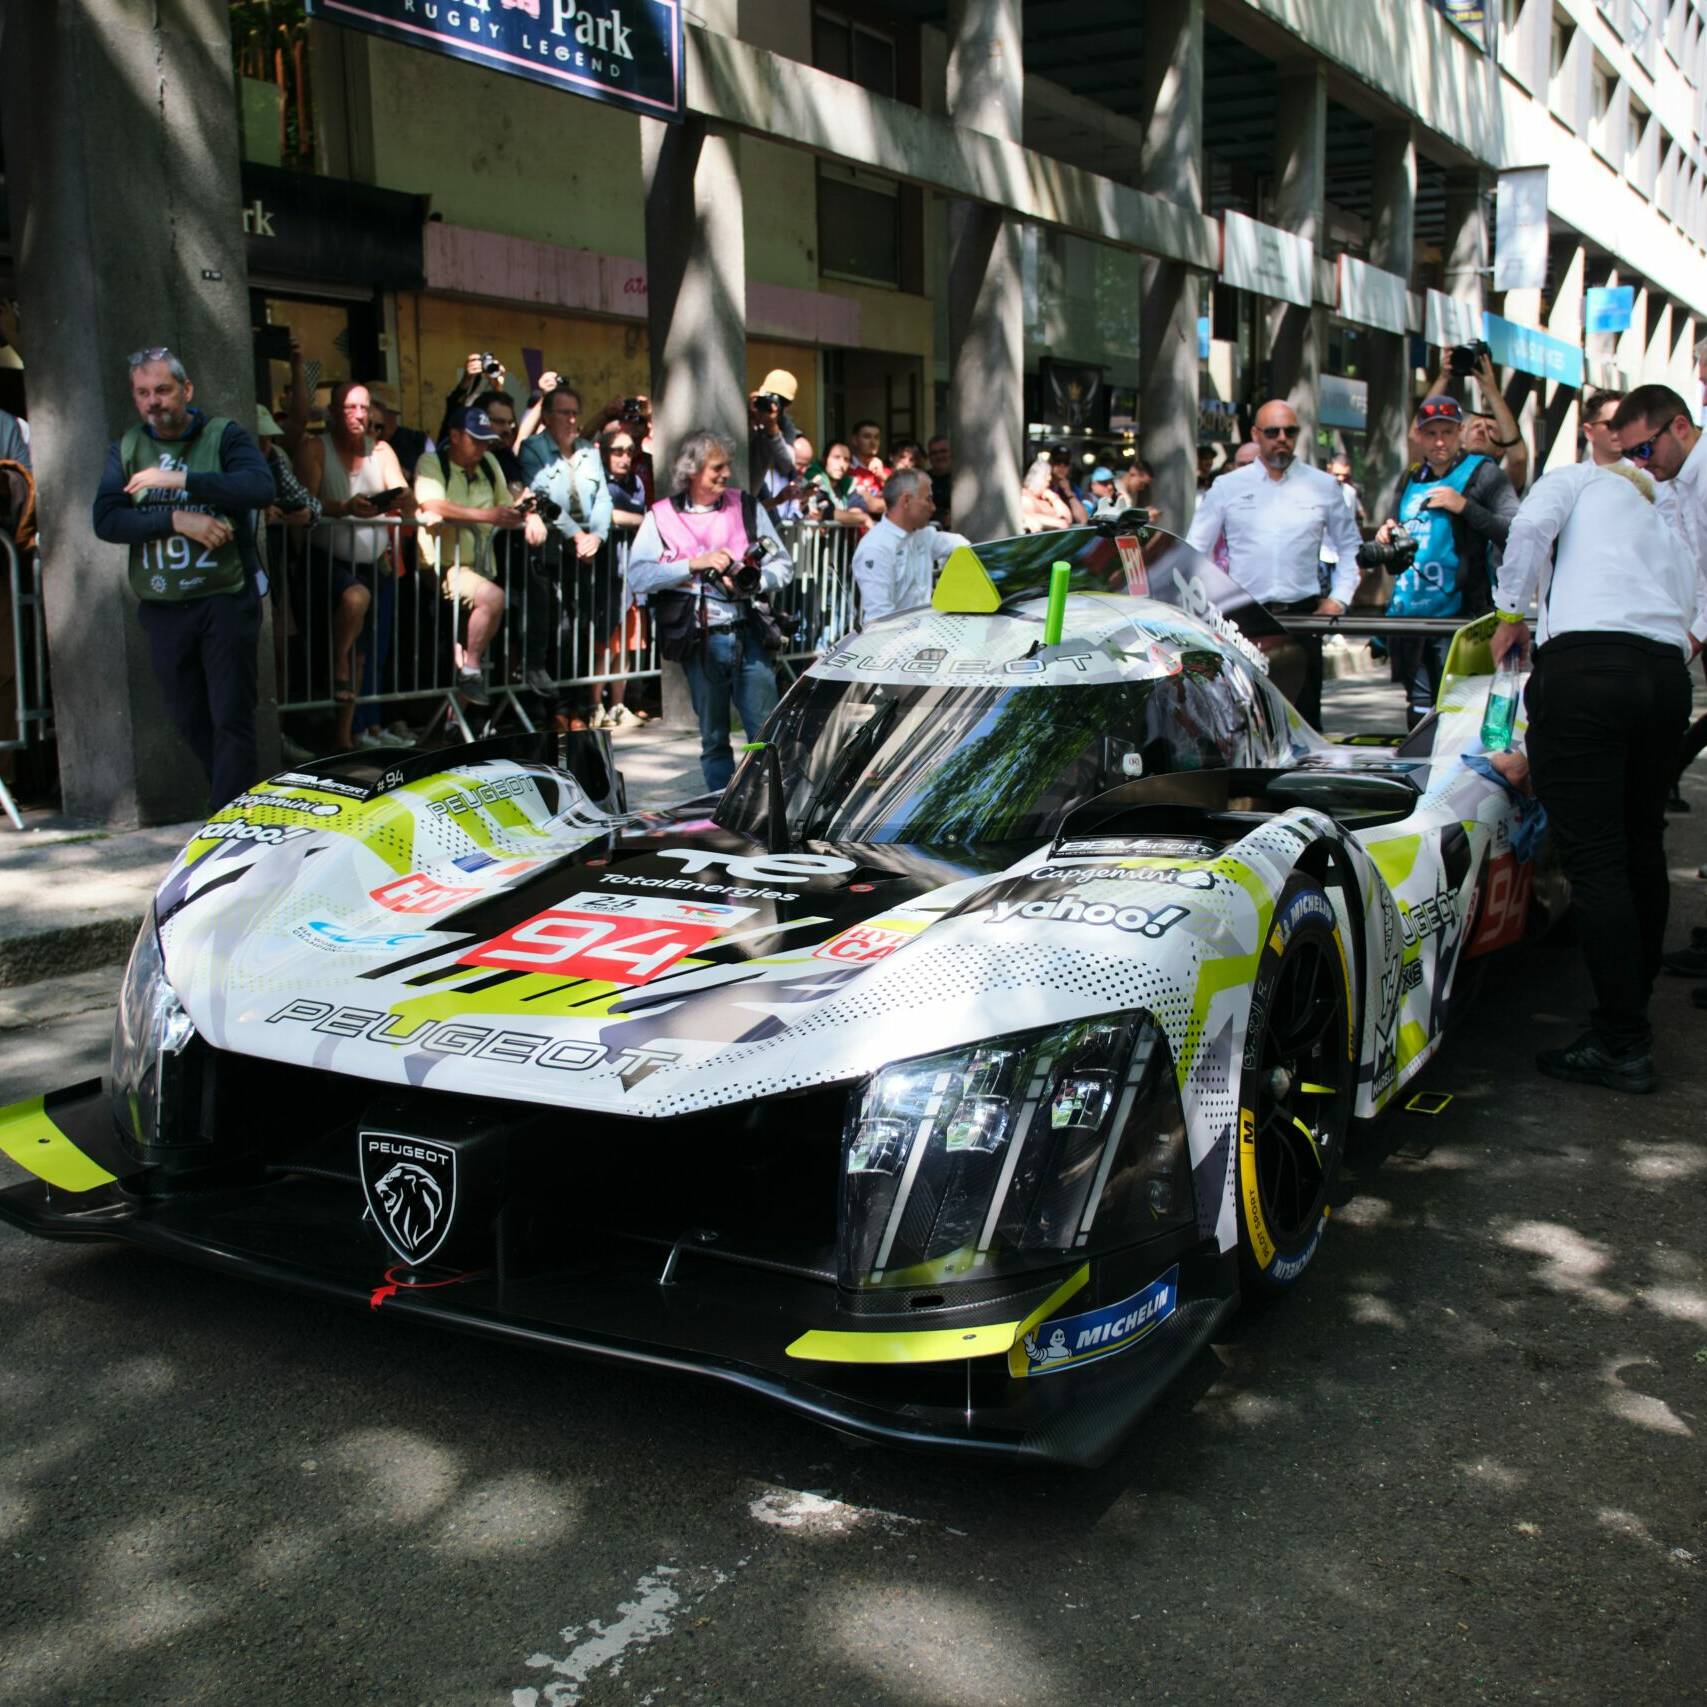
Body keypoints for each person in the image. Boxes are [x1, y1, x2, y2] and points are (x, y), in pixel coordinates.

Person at [1490, 412, 1700, 1092]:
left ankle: (1620, 1038)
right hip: (1662, 673)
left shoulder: (1573, 480)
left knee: (1599, 857)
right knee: (1641, 840)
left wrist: (1508, 613)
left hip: (1587, 666)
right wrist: (1684, 640)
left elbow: (1524, 531)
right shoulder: (1660, 499)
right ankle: (1628, 1008)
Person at [91, 346, 274, 809]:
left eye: (163, 390)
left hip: (225, 597)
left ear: (186, 390)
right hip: (164, 606)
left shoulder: (223, 435)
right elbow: (107, 520)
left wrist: (183, 480)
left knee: (231, 715)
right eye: (143, 393)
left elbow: (259, 487)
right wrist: (175, 520)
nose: (154, 402)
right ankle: (234, 804)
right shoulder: (128, 446)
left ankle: (226, 822)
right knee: (190, 717)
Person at [626, 429, 794, 791]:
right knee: (714, 735)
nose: (725, 474)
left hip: (748, 630)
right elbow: (637, 575)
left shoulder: (746, 505)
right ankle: (722, 804)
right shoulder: (661, 516)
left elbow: (784, 565)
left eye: (727, 466)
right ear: (691, 471)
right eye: (717, 467)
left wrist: (755, 581)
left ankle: (770, 801)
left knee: (766, 730)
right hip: (700, 638)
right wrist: (693, 565)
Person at [1184, 399, 1362, 728]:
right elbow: (1195, 550)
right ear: (1256, 434)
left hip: (1303, 617)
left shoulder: (1322, 486)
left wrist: (1340, 597)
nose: (1281, 438)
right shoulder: (1228, 486)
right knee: (1245, 719)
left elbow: (1351, 546)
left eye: (1289, 431)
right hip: (1243, 618)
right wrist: (1208, 603)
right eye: (1272, 431)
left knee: (1303, 718)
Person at [1370, 396, 1519, 727]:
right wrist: (1387, 533)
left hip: (1463, 622)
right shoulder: (1410, 477)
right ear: (1419, 437)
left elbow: (1516, 531)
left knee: (1460, 719)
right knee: (1420, 718)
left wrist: (1465, 506)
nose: (1439, 441)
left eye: (1448, 432)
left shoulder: (1485, 473)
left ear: (1461, 433)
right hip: (1411, 619)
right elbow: (1398, 532)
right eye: (1431, 433)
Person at [293, 381, 410, 749]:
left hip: (373, 560)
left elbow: (407, 494)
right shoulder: (315, 448)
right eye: (350, 408)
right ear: (333, 413)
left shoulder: (383, 451)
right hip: (325, 560)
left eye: (364, 408)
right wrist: (343, 507)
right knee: (355, 600)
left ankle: (346, 738)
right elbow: (306, 503)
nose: (359, 415)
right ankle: (336, 663)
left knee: (364, 651)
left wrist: (386, 501)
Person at [413, 404, 526, 705]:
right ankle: (472, 671)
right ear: (454, 435)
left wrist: (520, 515)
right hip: (444, 564)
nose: (481, 445)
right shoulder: (431, 462)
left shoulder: (490, 462)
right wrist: (487, 515)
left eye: (485, 439)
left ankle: (455, 722)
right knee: (492, 599)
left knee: (473, 631)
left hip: (482, 564)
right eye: (474, 438)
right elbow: (432, 504)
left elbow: (504, 504)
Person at [520, 388, 612, 724]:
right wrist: (578, 535)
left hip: (586, 551)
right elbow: (542, 497)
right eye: (563, 412)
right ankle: (553, 710)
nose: (572, 419)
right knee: (555, 628)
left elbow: (603, 498)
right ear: (546, 417)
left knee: (580, 627)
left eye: (575, 412)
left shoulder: (588, 451)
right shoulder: (533, 449)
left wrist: (597, 537)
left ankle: (575, 706)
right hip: (551, 550)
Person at [851, 468, 970, 626]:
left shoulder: (923, 535)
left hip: (926, 634)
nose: (933, 507)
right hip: (894, 642)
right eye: (928, 499)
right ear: (906, 500)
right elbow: (880, 619)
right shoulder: (875, 548)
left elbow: (962, 545)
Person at [596, 421, 651, 726]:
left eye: (630, 452)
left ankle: (617, 704)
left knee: (628, 642)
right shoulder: (599, 480)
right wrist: (641, 519)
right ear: (604, 453)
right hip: (606, 572)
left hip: (632, 573)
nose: (624, 457)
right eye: (617, 451)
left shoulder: (637, 483)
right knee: (605, 642)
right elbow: (605, 514)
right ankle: (595, 706)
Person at [1435, 347, 1529, 493]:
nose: (1481, 430)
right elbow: (1415, 436)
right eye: (1476, 426)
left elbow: (1518, 459)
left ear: (1501, 449)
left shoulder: (1501, 483)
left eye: (1491, 429)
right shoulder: (1438, 472)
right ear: (1462, 438)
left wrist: (1490, 389)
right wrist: (1443, 378)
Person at [749, 368, 804, 498]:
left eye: (781, 401)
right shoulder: (745, 411)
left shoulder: (784, 425)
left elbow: (787, 465)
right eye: (769, 396)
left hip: (752, 493)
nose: (773, 404)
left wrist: (772, 429)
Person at [808, 441, 875, 529]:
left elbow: (857, 508)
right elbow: (824, 510)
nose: (841, 465)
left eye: (846, 460)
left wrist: (855, 516)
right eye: (836, 458)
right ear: (825, 459)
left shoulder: (847, 483)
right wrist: (863, 518)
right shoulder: (814, 478)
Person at [1579, 389, 1627, 469]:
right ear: (1589, 432)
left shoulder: (1647, 478)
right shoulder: (1570, 477)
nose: (1620, 430)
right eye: (1612, 424)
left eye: (1625, 423)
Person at [927, 435, 952, 521]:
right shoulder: (922, 479)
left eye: (943, 451)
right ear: (929, 456)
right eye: (934, 453)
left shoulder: (960, 478)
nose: (939, 456)